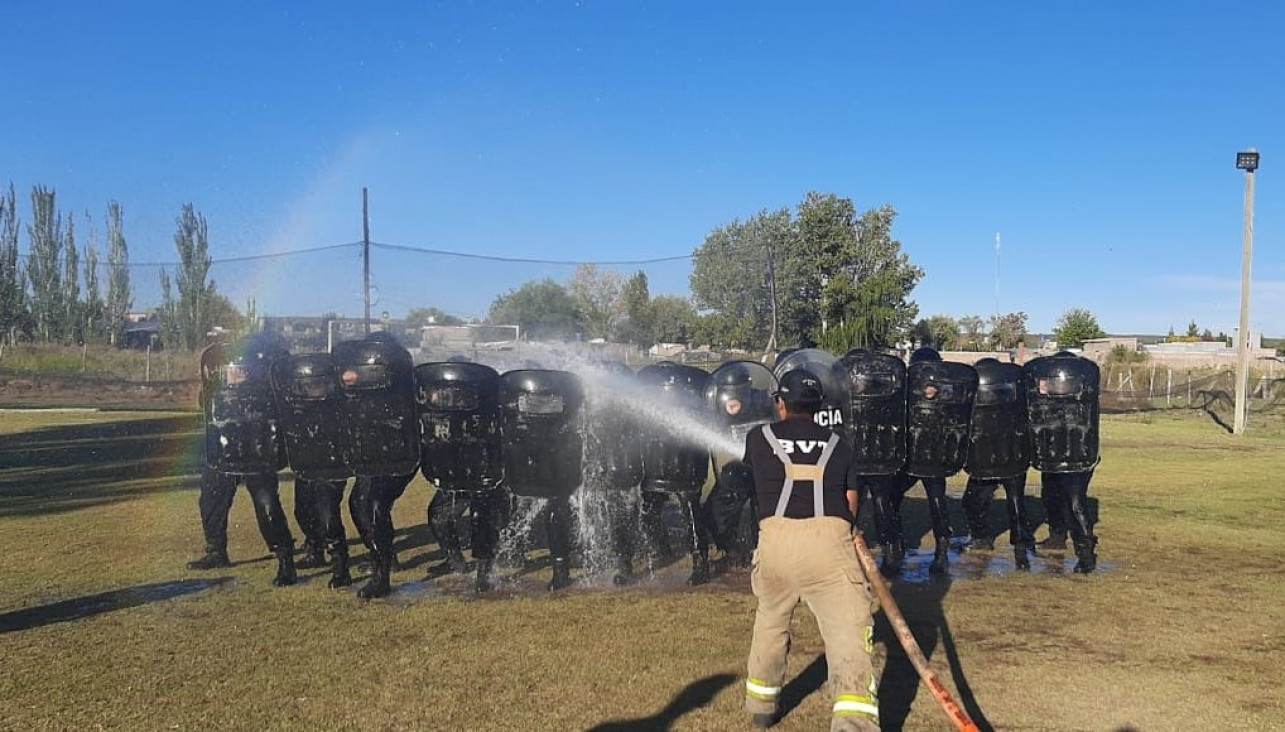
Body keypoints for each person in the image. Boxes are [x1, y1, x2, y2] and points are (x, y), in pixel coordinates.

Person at [742, 369, 879, 731]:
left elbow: (755, 480)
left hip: (774, 542)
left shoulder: (758, 438)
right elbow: (851, 504)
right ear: (819, 407)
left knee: (770, 623)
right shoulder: (841, 444)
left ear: (780, 403)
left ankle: (761, 707)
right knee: (849, 631)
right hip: (829, 543)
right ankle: (852, 722)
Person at [187, 336, 298, 587]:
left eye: (240, 370)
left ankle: (285, 559)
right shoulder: (219, 391)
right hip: (223, 447)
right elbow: (206, 405)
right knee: (211, 497)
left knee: (266, 502)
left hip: (257, 450)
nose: (234, 375)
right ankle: (216, 550)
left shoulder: (263, 392)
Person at [1025, 351, 1101, 573]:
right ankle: (1057, 536)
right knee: (1050, 496)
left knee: (1076, 501)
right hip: (1052, 456)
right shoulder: (1046, 403)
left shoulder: (1080, 403)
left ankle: (1085, 553)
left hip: (1078, 459)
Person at [961, 358, 1035, 569]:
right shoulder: (1018, 394)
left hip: (985, 459)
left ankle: (981, 537)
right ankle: (1020, 548)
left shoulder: (975, 394)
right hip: (1013, 456)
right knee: (1016, 502)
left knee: (973, 501)